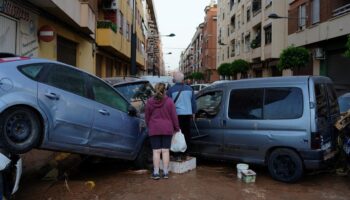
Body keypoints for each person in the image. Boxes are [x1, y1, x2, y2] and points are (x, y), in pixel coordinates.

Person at [145, 82, 180, 180]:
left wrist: (149, 125)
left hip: (154, 128)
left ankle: (156, 173)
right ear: (165, 90)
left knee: (156, 151)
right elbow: (174, 117)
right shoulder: (169, 101)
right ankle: (165, 173)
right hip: (167, 128)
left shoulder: (149, 102)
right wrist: (176, 128)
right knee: (165, 151)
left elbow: (147, 117)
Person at [167, 71, 197, 160]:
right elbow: (193, 103)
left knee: (176, 134)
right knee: (187, 134)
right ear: (183, 79)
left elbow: (168, 104)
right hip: (187, 115)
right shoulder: (190, 89)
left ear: (174, 80)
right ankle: (187, 153)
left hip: (176, 115)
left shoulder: (171, 90)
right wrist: (194, 113)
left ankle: (176, 154)